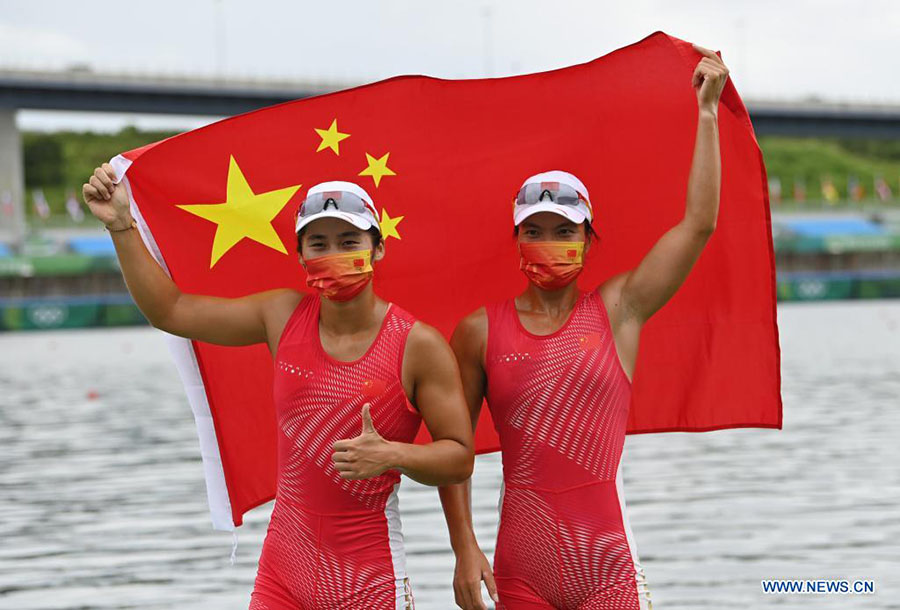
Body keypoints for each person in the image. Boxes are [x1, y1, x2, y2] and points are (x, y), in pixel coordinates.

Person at [82, 173, 475, 609]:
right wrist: (121, 226)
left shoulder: (417, 344)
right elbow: (172, 310)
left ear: (377, 247)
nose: (333, 254)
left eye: (349, 242)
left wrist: (393, 455)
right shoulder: (281, 315)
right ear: (300, 254)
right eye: (318, 244)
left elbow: (458, 457)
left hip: (367, 581)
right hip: (282, 576)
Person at [441, 44, 730, 610]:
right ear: (517, 239)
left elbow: (698, 225)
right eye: (536, 230)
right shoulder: (478, 330)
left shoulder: (619, 309)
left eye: (564, 231)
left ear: (588, 238)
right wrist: (463, 547)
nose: (550, 244)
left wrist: (706, 114)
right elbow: (457, 448)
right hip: (520, 575)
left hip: (609, 575)